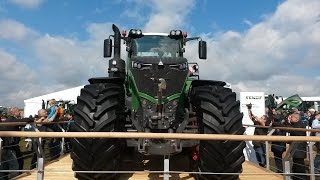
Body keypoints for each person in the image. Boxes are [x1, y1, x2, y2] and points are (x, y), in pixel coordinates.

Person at [0, 107, 34, 179]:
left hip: (6, 146)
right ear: (14, 113)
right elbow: (26, 120)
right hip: (9, 147)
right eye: (18, 111)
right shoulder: (12, 120)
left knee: (5, 165)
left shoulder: (9, 120)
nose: (20, 113)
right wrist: (32, 119)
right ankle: (15, 178)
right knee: (14, 166)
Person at [272, 111, 307, 180]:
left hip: (299, 150)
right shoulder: (295, 124)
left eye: (291, 117)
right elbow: (286, 126)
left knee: (299, 166)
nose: (290, 118)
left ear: (296, 119)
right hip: (296, 150)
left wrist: (277, 124)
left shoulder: (298, 125)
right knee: (296, 165)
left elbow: (288, 129)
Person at [247, 103, 270, 167]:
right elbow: (251, 117)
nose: (260, 118)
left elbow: (261, 122)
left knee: (262, 156)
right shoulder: (257, 123)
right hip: (256, 143)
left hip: (262, 143)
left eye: (262, 118)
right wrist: (249, 110)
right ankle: (261, 166)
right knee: (258, 156)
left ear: (265, 120)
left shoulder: (265, 124)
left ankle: (264, 166)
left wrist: (255, 116)